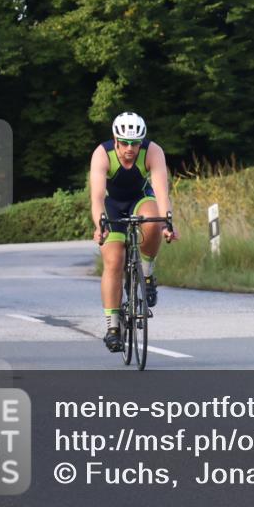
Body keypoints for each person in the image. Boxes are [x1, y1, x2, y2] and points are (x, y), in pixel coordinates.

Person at [90, 113, 178, 352]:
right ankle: (113, 327)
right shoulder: (102, 153)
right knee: (114, 261)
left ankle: (147, 275)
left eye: (135, 143)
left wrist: (168, 223)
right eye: (125, 143)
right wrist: (100, 226)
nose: (130, 148)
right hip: (112, 204)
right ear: (115, 139)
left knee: (152, 222)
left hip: (140, 198)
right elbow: (97, 197)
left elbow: (161, 191)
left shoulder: (153, 151)